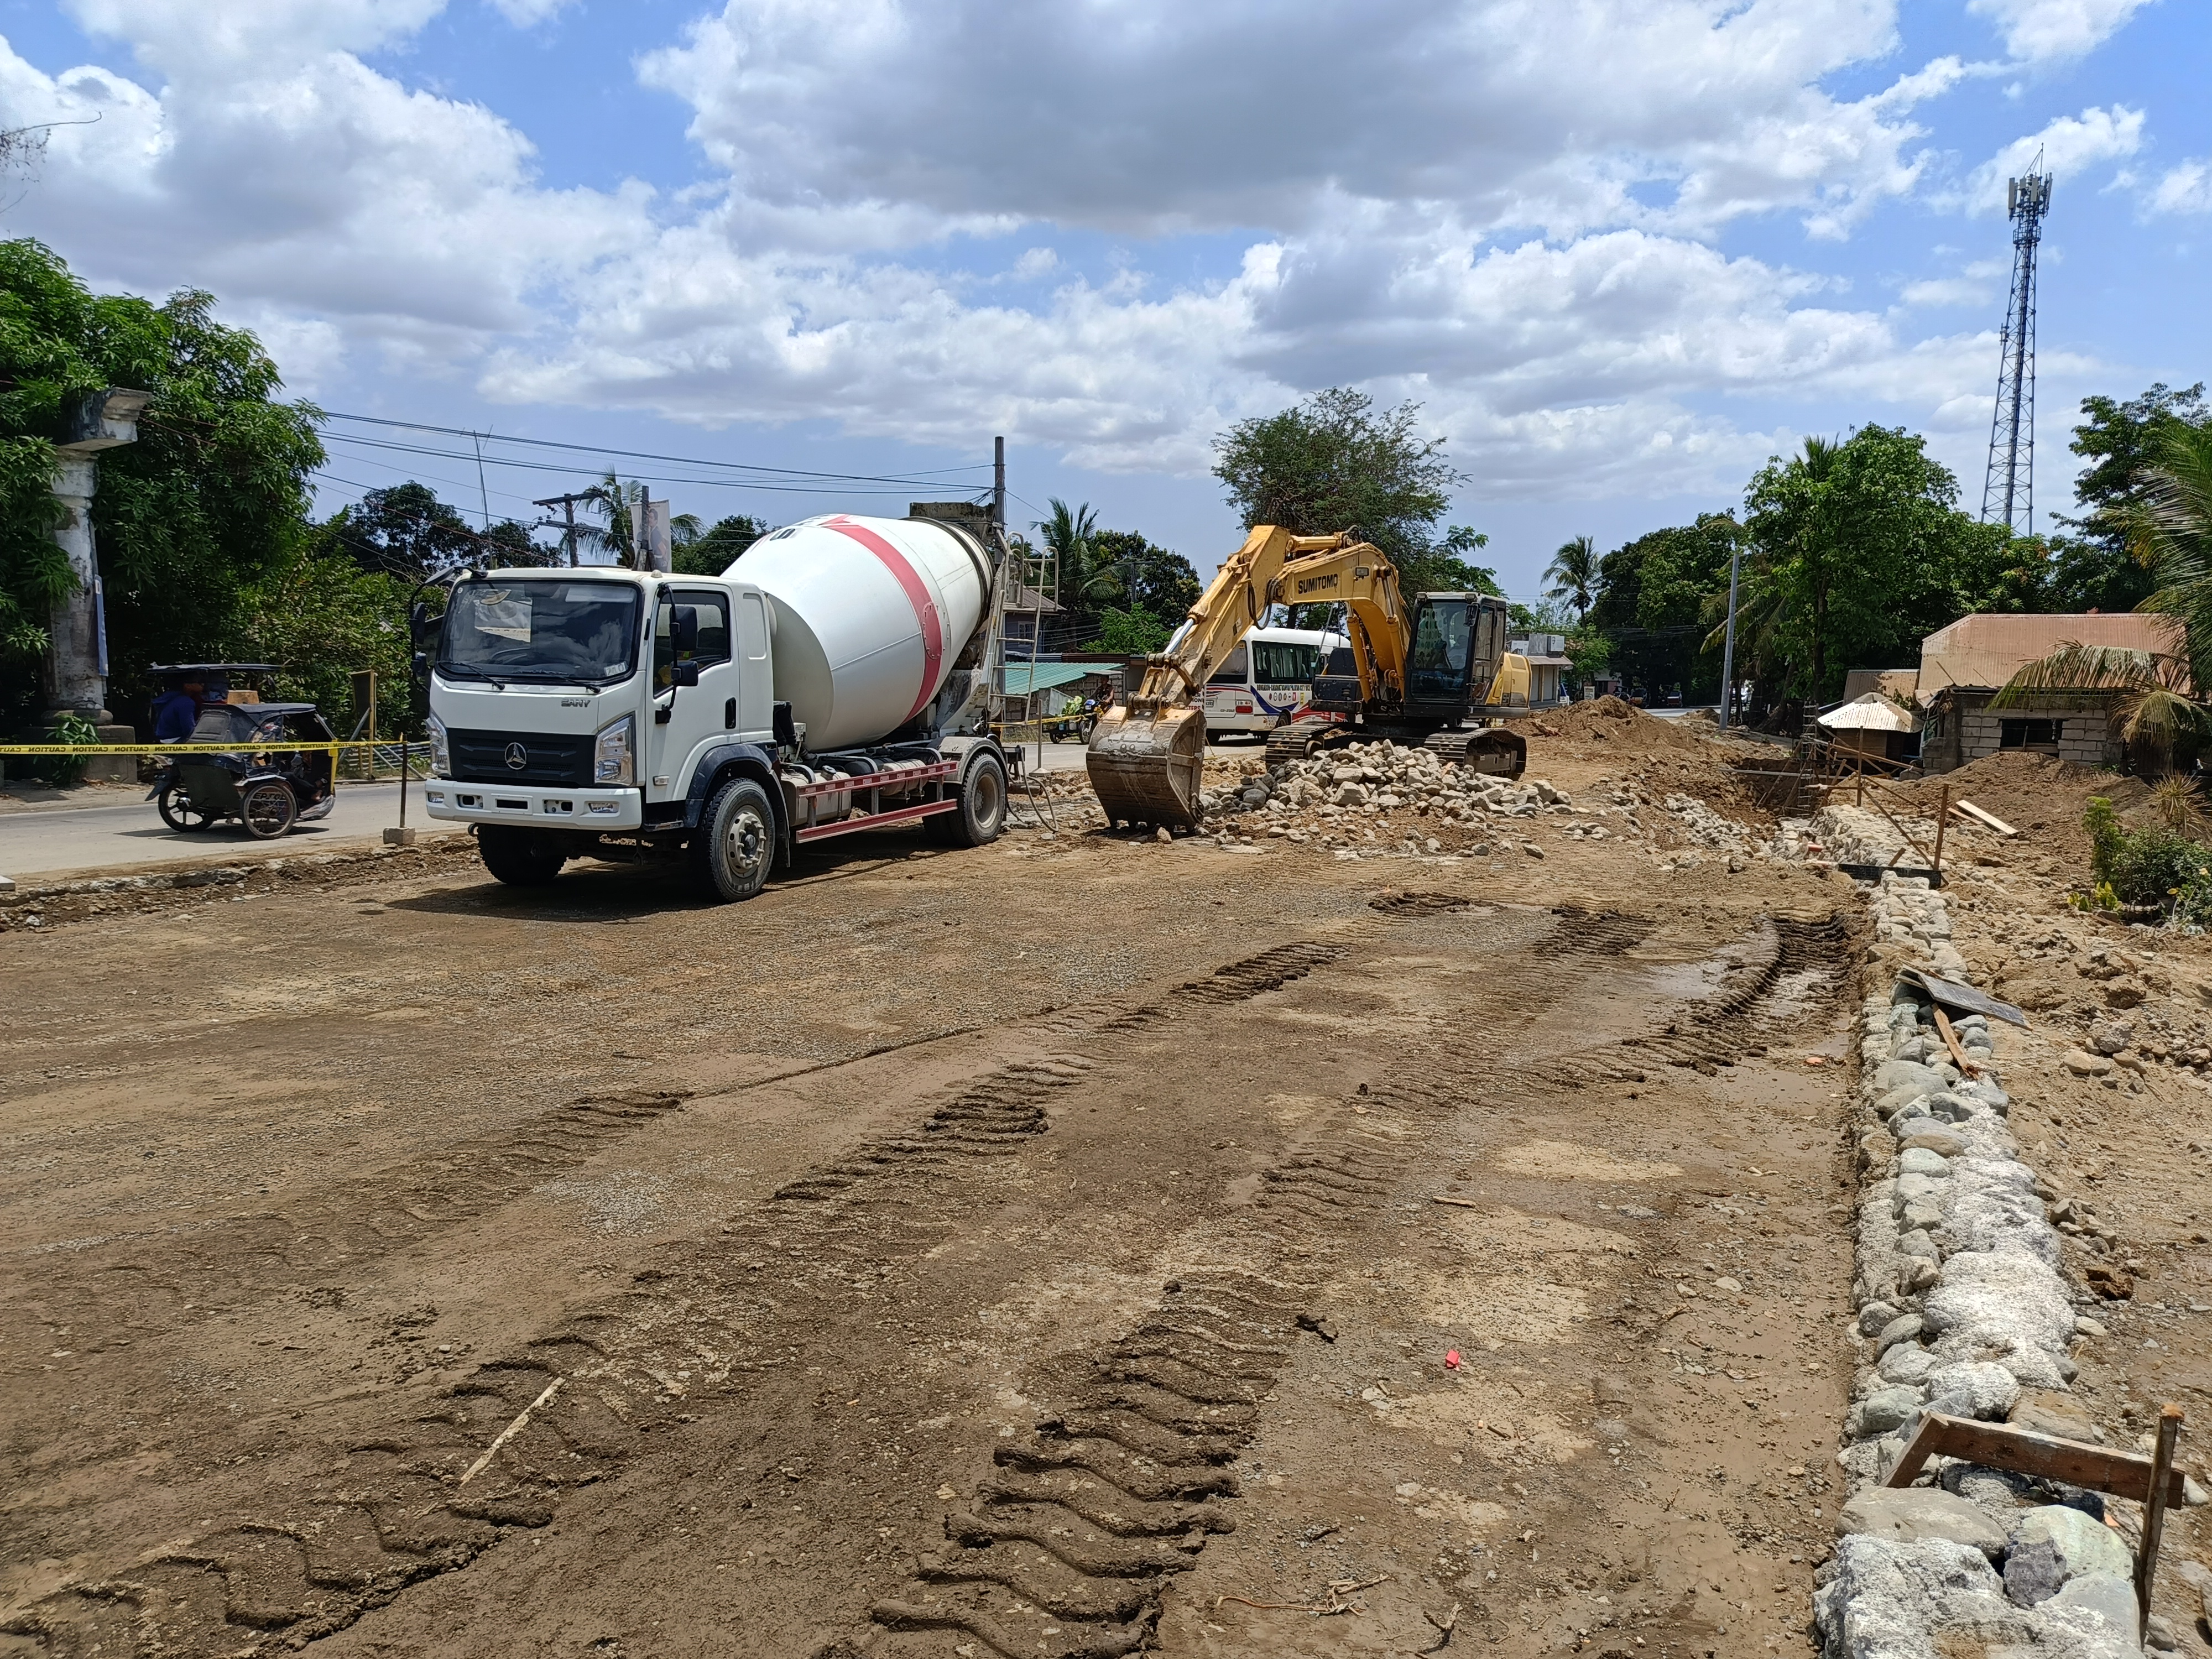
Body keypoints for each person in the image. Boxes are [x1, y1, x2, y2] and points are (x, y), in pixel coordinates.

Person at [153, 676, 206, 743]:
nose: (203, 684)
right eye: (199, 682)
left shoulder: (169, 697)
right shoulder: (185, 702)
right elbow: (189, 730)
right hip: (176, 740)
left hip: (164, 739)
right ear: (187, 686)